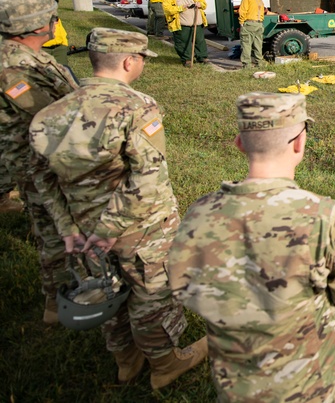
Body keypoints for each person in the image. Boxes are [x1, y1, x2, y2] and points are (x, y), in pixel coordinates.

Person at [28, 28, 207, 388]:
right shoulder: (137, 106)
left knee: (107, 287)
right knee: (150, 294)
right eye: (141, 58)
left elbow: (41, 179)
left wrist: (68, 229)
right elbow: (146, 178)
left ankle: (125, 359)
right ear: (130, 61)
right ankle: (165, 362)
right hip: (140, 227)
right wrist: (109, 231)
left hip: (81, 226)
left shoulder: (50, 112)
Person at [169, 92, 335, 402]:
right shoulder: (329, 218)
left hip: (236, 384)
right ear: (300, 144)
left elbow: (184, 288)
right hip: (311, 380)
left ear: (239, 143)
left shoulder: (198, 214)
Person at [0, 0, 77, 317]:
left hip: (44, 158)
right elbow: (46, 115)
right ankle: (57, 300)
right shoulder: (14, 69)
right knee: (54, 232)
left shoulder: (28, 56)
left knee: (54, 226)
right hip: (39, 161)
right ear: (35, 24)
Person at [161, 0, 208, 67]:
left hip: (196, 24)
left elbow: (203, 2)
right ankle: (187, 59)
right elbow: (167, 10)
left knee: (200, 41)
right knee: (183, 43)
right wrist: (181, 8)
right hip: (182, 25)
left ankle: (202, 57)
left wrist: (200, 4)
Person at [35, 0, 71, 66]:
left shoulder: (52, 13)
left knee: (63, 70)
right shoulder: (30, 16)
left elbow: (60, 30)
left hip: (59, 48)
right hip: (43, 49)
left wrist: (64, 43)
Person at [238, 0, 266, 69]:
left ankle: (247, 65)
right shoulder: (260, 0)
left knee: (246, 45)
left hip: (249, 24)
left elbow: (242, 10)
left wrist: (241, 22)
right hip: (259, 24)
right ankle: (259, 63)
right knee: (258, 45)